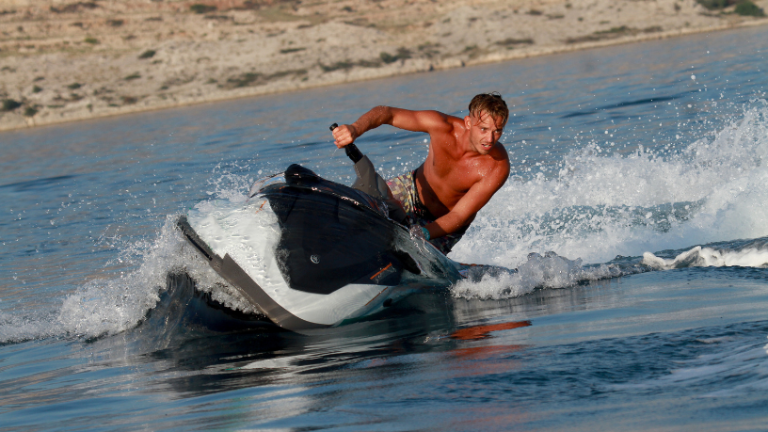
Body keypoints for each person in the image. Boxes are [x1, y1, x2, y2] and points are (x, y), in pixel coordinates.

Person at [332, 93, 510, 254]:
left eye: (497, 131)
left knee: (409, 256)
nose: (490, 139)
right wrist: (355, 128)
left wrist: (423, 233)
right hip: (410, 189)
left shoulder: (496, 167)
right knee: (361, 206)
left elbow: (459, 216)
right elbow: (388, 113)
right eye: (484, 129)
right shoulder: (441, 126)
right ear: (468, 123)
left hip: (443, 224)